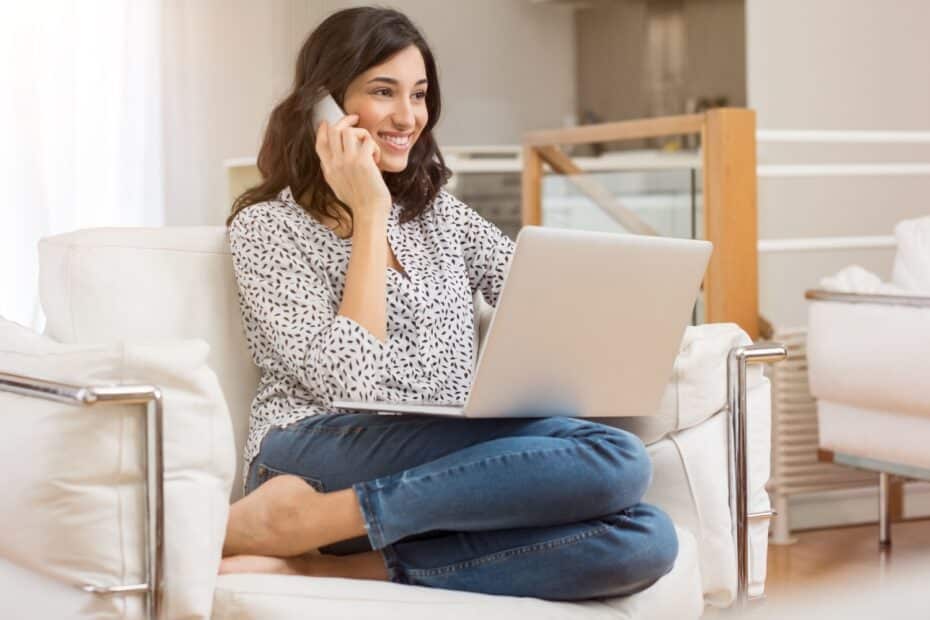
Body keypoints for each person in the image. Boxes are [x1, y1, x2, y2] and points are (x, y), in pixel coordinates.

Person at [221, 6, 678, 601]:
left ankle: (319, 552)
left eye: (419, 94)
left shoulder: (443, 218)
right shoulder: (266, 227)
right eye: (383, 92)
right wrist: (369, 213)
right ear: (325, 106)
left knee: (646, 537)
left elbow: (541, 297)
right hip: (312, 452)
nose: (407, 117)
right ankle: (301, 517)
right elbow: (350, 378)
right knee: (615, 457)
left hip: (444, 461)